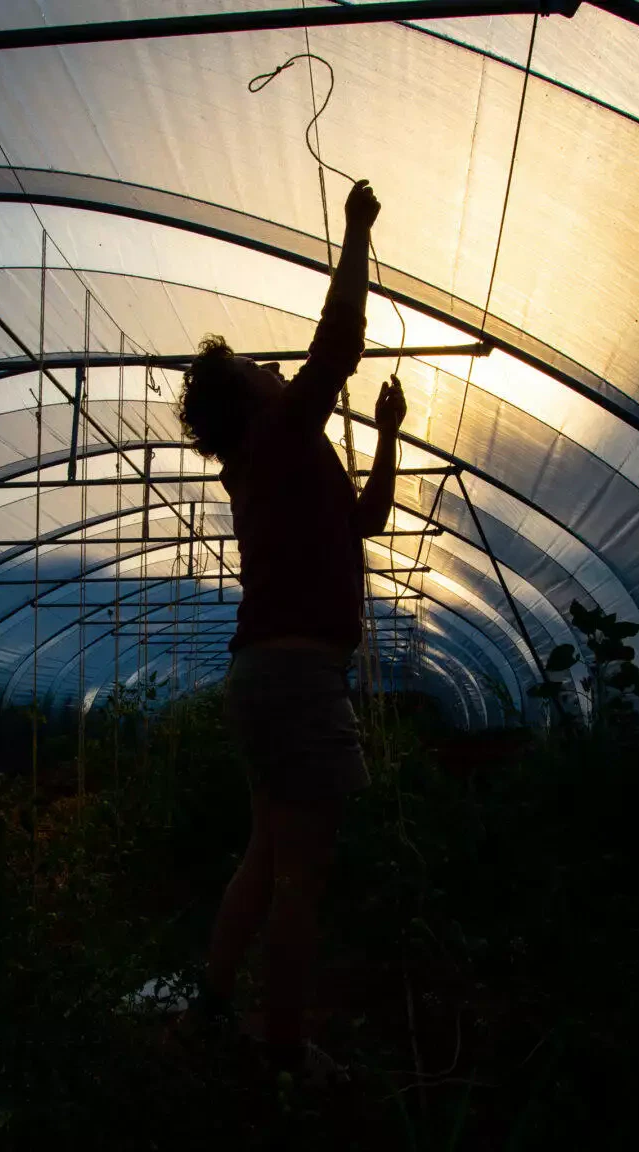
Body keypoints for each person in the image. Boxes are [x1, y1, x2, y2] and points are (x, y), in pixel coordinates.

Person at [176, 179, 407, 1086]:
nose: (279, 371)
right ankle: (282, 1053)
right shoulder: (275, 436)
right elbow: (340, 341)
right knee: (301, 876)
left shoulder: (272, 458)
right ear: (253, 399)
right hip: (300, 683)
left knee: (268, 855)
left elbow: (369, 520)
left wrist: (385, 433)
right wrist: (353, 232)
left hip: (267, 677)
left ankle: (211, 1007)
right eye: (264, 372)